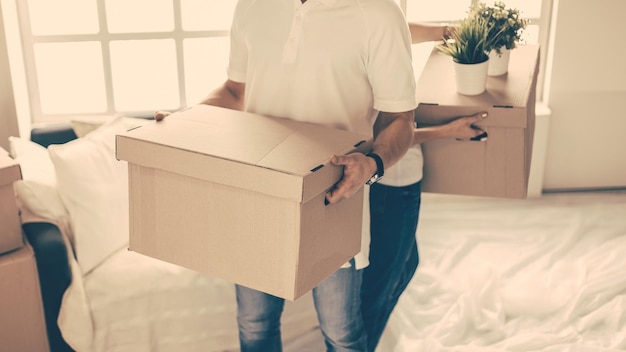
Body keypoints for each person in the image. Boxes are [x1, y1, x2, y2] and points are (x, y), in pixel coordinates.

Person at [155, 3, 485, 350]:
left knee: (342, 334)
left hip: (334, 198)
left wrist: (372, 163)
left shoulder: (379, 13)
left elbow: (399, 117)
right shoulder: (252, 5)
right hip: (256, 196)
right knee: (254, 324)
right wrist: (187, 122)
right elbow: (236, 90)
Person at [359, 21, 485, 352]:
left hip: (398, 180)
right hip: (392, 183)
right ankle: (358, 344)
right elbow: (383, 136)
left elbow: (393, 28)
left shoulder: (369, 23)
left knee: (406, 265)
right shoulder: (365, 58)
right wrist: (448, 131)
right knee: (380, 284)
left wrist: (445, 30)